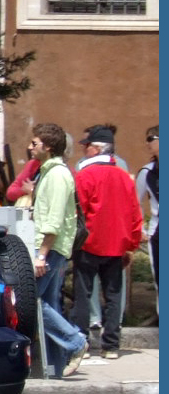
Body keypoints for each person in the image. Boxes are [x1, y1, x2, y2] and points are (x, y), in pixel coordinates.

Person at [70, 125, 143, 360]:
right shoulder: (125, 177)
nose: (85, 151)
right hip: (116, 245)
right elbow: (134, 213)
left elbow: (79, 211)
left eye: (88, 146)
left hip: (89, 243)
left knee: (83, 294)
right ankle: (111, 345)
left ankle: (83, 342)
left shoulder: (84, 176)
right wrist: (131, 244)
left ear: (96, 149)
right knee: (113, 296)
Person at [30, 123, 89, 378]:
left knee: (31, 302)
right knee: (50, 302)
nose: (30, 146)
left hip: (49, 248)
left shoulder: (56, 175)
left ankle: (75, 342)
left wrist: (41, 254)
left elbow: (52, 220)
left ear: (48, 146)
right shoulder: (49, 172)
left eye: (35, 142)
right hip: (53, 247)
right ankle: (56, 363)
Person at [135, 125, 158, 319]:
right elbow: (136, 202)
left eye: (151, 139)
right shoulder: (147, 172)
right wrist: (141, 227)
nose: (147, 143)